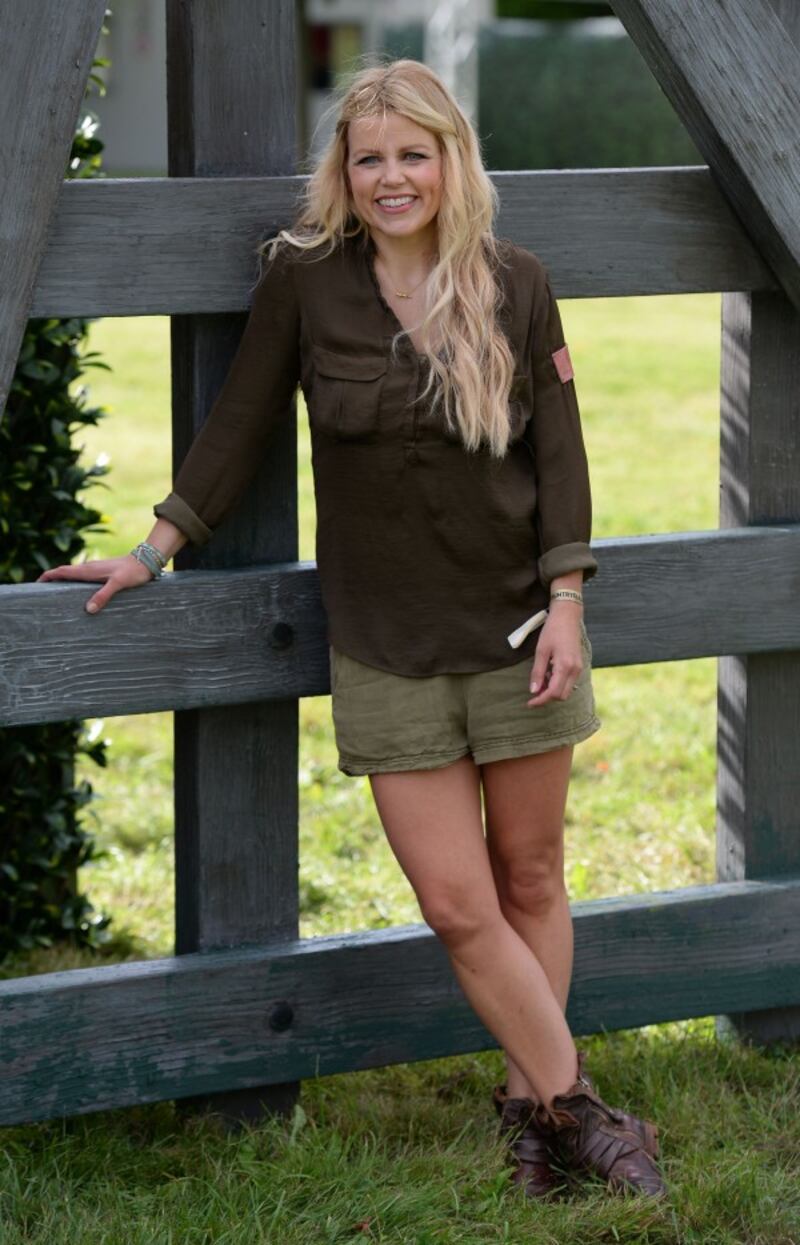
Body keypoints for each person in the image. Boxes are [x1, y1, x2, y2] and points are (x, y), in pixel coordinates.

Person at [36, 58, 666, 1202]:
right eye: (366, 157)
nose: (389, 177)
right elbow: (236, 427)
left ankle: (534, 1127)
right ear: (343, 171)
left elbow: (562, 461)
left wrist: (569, 599)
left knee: (528, 876)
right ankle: (588, 1114)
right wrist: (151, 548)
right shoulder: (304, 283)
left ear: (448, 163)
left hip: (522, 627)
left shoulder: (514, 283)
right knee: (453, 902)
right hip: (381, 641)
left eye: (410, 154)